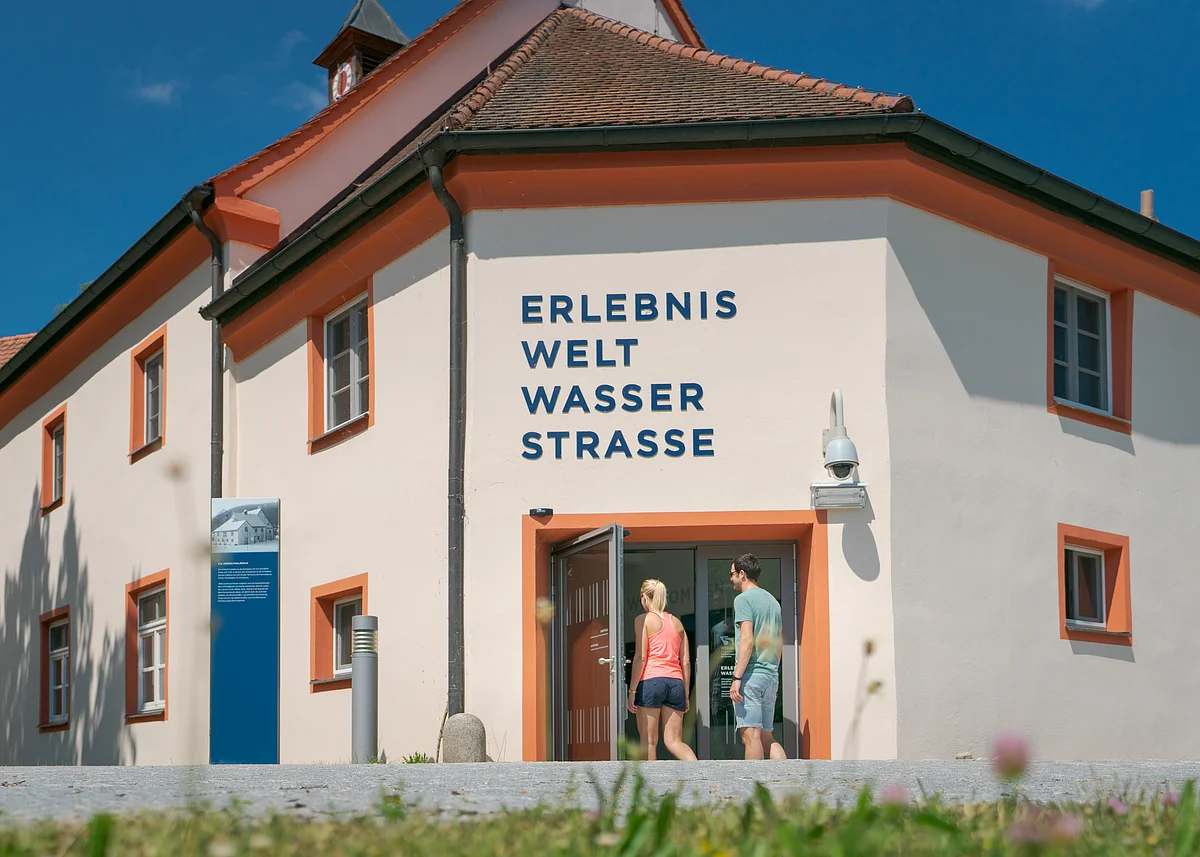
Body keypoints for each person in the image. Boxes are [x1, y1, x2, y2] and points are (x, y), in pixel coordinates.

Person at [626, 579, 697, 761]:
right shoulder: (677, 623)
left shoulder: (643, 620)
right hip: (676, 684)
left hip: (651, 680)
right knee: (674, 741)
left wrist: (632, 691)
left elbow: (641, 657)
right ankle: (699, 774)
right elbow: (686, 662)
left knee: (649, 741)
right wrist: (686, 694)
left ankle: (650, 787)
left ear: (644, 598)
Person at [728, 553, 786, 760]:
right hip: (770, 674)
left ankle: (753, 788)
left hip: (751, 675)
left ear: (742, 574)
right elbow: (778, 641)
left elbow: (747, 640)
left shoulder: (743, 600)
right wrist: (773, 670)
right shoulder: (773, 601)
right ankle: (786, 781)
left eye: (732, 574)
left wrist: (736, 678)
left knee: (750, 736)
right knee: (766, 736)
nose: (731, 578)